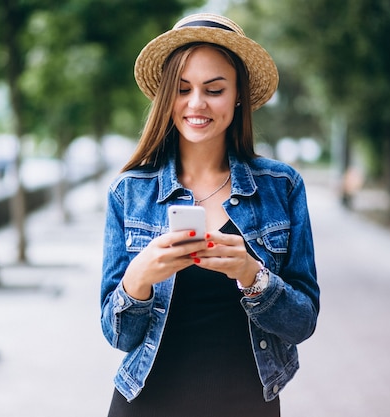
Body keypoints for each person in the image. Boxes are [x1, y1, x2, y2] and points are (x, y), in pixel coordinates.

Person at [100, 13, 319, 416]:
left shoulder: (282, 187)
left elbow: (302, 323)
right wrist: (139, 278)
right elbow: (119, 337)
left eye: (214, 89)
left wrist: (253, 277)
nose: (196, 103)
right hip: (147, 404)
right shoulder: (129, 191)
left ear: (237, 94)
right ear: (167, 97)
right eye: (182, 89)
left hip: (247, 405)